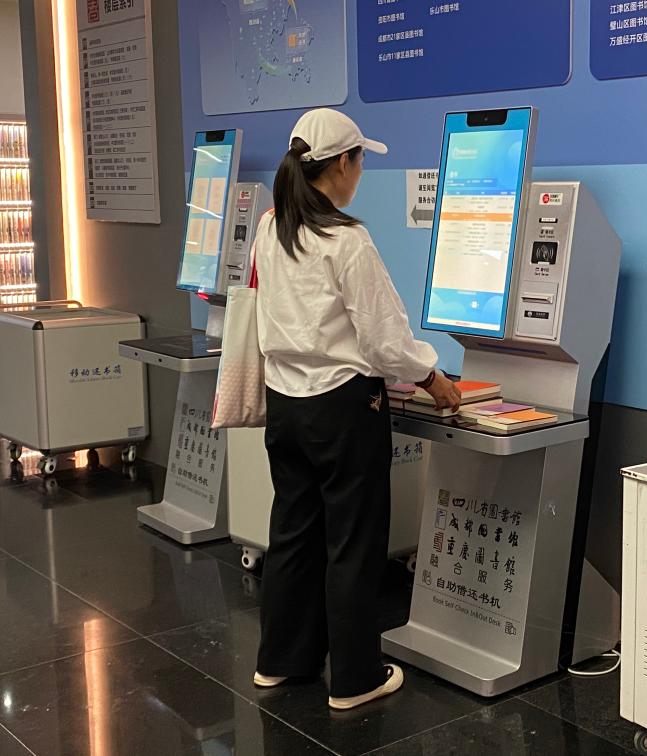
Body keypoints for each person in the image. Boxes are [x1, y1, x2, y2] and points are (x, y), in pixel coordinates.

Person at [250, 108, 461, 710]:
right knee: (352, 542)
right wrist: (431, 377)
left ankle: (280, 662)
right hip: (343, 407)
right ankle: (355, 678)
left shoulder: (272, 226)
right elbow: (384, 339)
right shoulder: (346, 240)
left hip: (284, 404)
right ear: (342, 164)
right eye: (361, 160)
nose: (361, 172)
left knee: (293, 533)